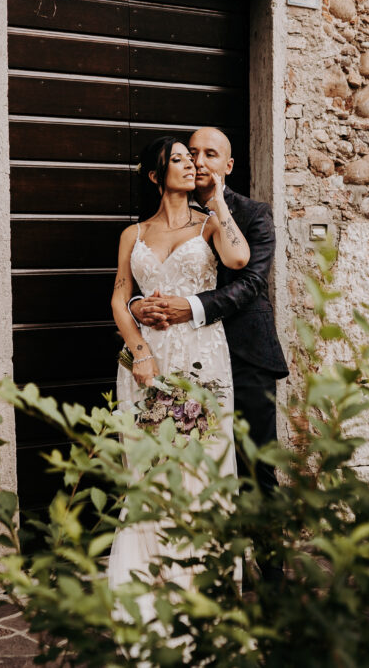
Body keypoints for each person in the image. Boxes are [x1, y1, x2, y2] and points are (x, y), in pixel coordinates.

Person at [108, 135, 250, 620]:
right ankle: (153, 575)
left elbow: (237, 261)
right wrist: (140, 351)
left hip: (202, 355)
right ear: (155, 174)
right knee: (151, 466)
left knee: (203, 459)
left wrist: (217, 201)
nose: (190, 165)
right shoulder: (134, 234)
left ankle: (201, 576)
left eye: (193, 160)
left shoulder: (211, 224)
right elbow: (118, 298)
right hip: (149, 363)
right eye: (178, 160)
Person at [130, 127, 288, 508]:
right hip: (181, 358)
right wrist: (139, 304)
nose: (199, 162)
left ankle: (266, 565)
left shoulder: (253, 214)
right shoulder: (159, 213)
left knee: (254, 462)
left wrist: (191, 306)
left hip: (246, 354)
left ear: (228, 165)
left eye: (210, 154)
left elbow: (250, 282)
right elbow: (145, 274)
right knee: (190, 462)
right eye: (192, 153)